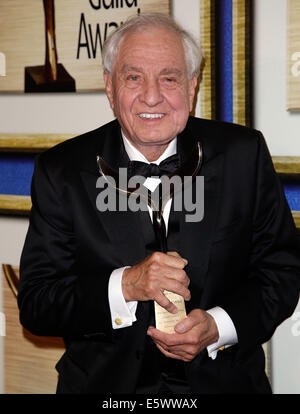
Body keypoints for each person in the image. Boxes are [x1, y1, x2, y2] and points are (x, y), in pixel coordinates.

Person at [18, 13, 300, 394]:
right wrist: (125, 286)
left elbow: (281, 270)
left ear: (192, 84)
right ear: (109, 86)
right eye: (134, 77)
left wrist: (219, 325)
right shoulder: (61, 170)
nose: (152, 97)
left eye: (169, 78)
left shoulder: (243, 155)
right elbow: (38, 303)